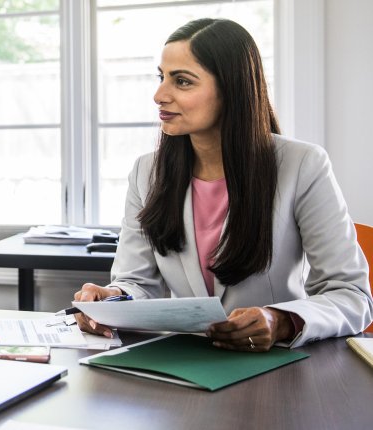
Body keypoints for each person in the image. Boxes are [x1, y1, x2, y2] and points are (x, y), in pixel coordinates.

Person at [73, 18, 372, 351]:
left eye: (182, 81)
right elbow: (138, 284)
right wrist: (111, 301)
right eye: (162, 77)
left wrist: (281, 320)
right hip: (186, 366)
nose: (160, 95)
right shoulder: (147, 172)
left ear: (232, 89)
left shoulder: (303, 164)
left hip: (277, 370)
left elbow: (352, 295)